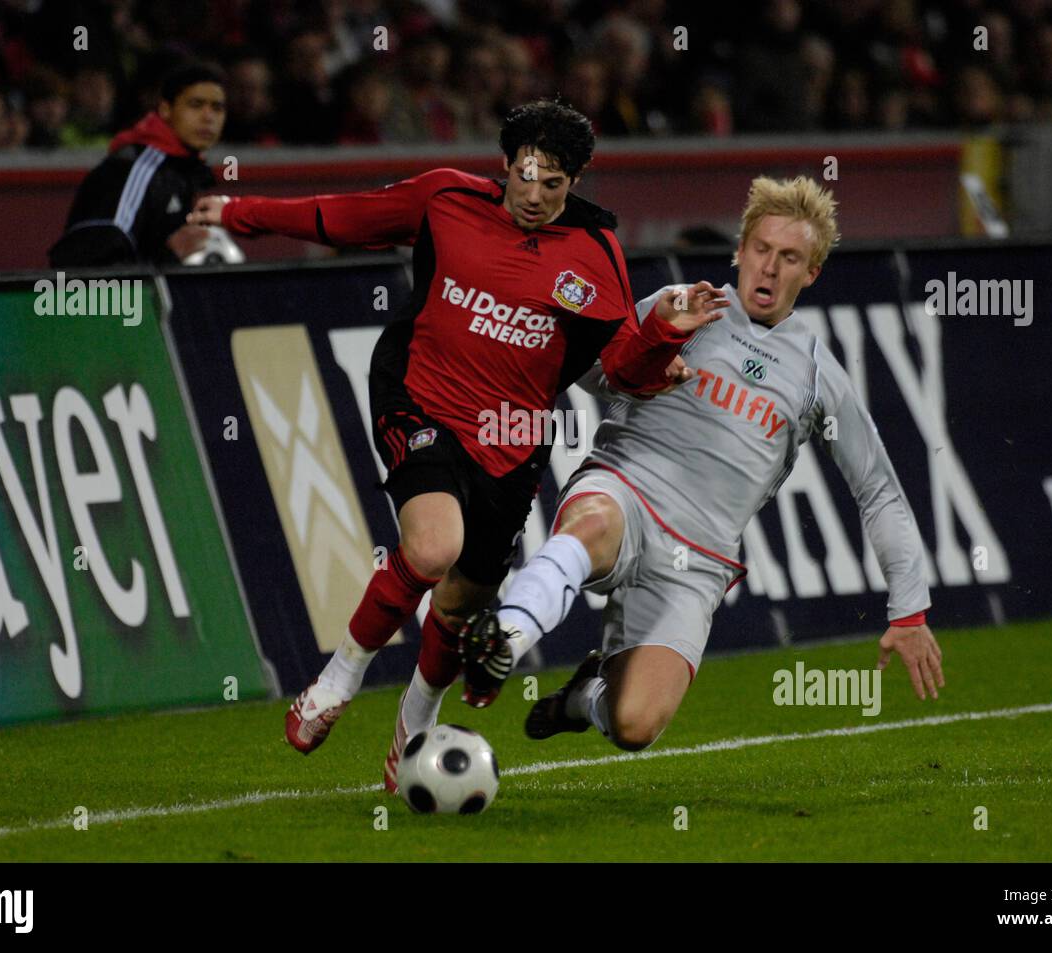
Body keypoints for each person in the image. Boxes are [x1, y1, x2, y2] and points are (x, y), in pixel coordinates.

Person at [187, 99, 724, 790]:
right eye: (524, 175)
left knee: (459, 604)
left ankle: (416, 717)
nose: (532, 195)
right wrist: (240, 212)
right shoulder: (444, 198)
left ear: (577, 180)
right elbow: (342, 216)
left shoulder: (597, 258)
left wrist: (664, 336)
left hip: (512, 436)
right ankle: (337, 678)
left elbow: (621, 371)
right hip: (420, 396)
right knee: (432, 547)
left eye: (553, 183)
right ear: (504, 163)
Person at [459, 176, 944, 751]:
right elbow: (588, 372)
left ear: (811, 273)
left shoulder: (819, 375)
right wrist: (655, 342)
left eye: (789, 258)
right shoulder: (684, 307)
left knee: (635, 726)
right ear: (739, 251)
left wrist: (909, 610)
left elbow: (877, 490)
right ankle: (504, 639)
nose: (768, 268)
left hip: (699, 559)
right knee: (590, 525)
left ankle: (585, 696)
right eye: (761, 250)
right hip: (626, 489)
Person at [47, 62, 226, 267]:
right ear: (166, 110)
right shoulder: (137, 170)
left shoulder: (180, 171)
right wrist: (169, 255)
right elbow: (90, 267)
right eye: (196, 104)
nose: (208, 117)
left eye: (217, 108)